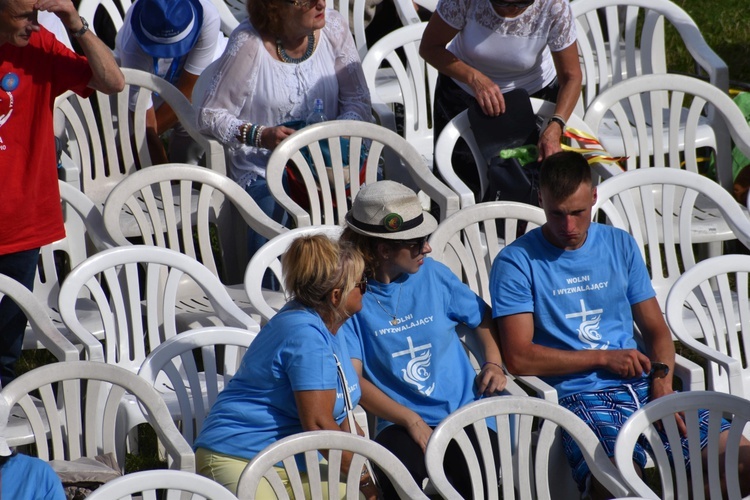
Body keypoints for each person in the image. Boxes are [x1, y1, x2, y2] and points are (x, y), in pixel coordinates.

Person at [490, 151, 750, 498]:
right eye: (557, 214)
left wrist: (661, 381)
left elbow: (657, 331)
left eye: (579, 213)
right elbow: (520, 357)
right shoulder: (516, 262)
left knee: (745, 461)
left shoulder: (619, 244)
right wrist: (602, 358)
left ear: (594, 196)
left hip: (644, 383)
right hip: (582, 394)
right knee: (617, 488)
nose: (569, 227)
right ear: (541, 199)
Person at [339, 180, 507, 498]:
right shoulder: (352, 298)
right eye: (417, 243)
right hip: (399, 423)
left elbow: (482, 317)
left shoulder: (433, 274)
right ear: (383, 249)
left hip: (465, 413)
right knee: (397, 481)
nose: (427, 248)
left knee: (476, 483)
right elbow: (354, 381)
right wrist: (411, 419)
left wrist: (493, 362)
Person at [194, 235, 378, 498]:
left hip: (296, 459)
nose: (366, 288)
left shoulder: (329, 324)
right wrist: (364, 482)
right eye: (361, 283)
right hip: (239, 456)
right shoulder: (306, 336)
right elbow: (318, 424)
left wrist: (367, 471)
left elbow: (343, 415)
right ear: (337, 296)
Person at [0, 0, 124, 387]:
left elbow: (112, 81)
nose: (34, 26)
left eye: (37, 17)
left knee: (4, 354)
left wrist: (75, 21)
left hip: (22, 226)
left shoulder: (41, 46)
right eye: (24, 16)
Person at [194, 0, 371, 255]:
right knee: (271, 209)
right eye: (307, 0)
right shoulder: (249, 43)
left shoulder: (334, 27)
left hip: (327, 161)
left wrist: (339, 136)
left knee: (374, 207)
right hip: (266, 165)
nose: (321, 3)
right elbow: (209, 115)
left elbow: (358, 98)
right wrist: (260, 135)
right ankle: (269, 291)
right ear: (275, 8)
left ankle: (359, 287)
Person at [419, 0, 582, 199]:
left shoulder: (555, 6)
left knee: (525, 185)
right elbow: (429, 47)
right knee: (458, 185)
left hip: (531, 98)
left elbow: (572, 76)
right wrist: (474, 78)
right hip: (462, 92)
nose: (511, 9)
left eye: (522, 3)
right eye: (502, 2)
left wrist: (557, 124)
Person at [115, 0, 225, 165]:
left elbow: (188, 92)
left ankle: (186, 171)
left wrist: (129, 146)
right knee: (134, 138)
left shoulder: (208, 16)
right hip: (141, 81)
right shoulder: (132, 48)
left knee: (195, 119)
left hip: (197, 83)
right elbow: (143, 121)